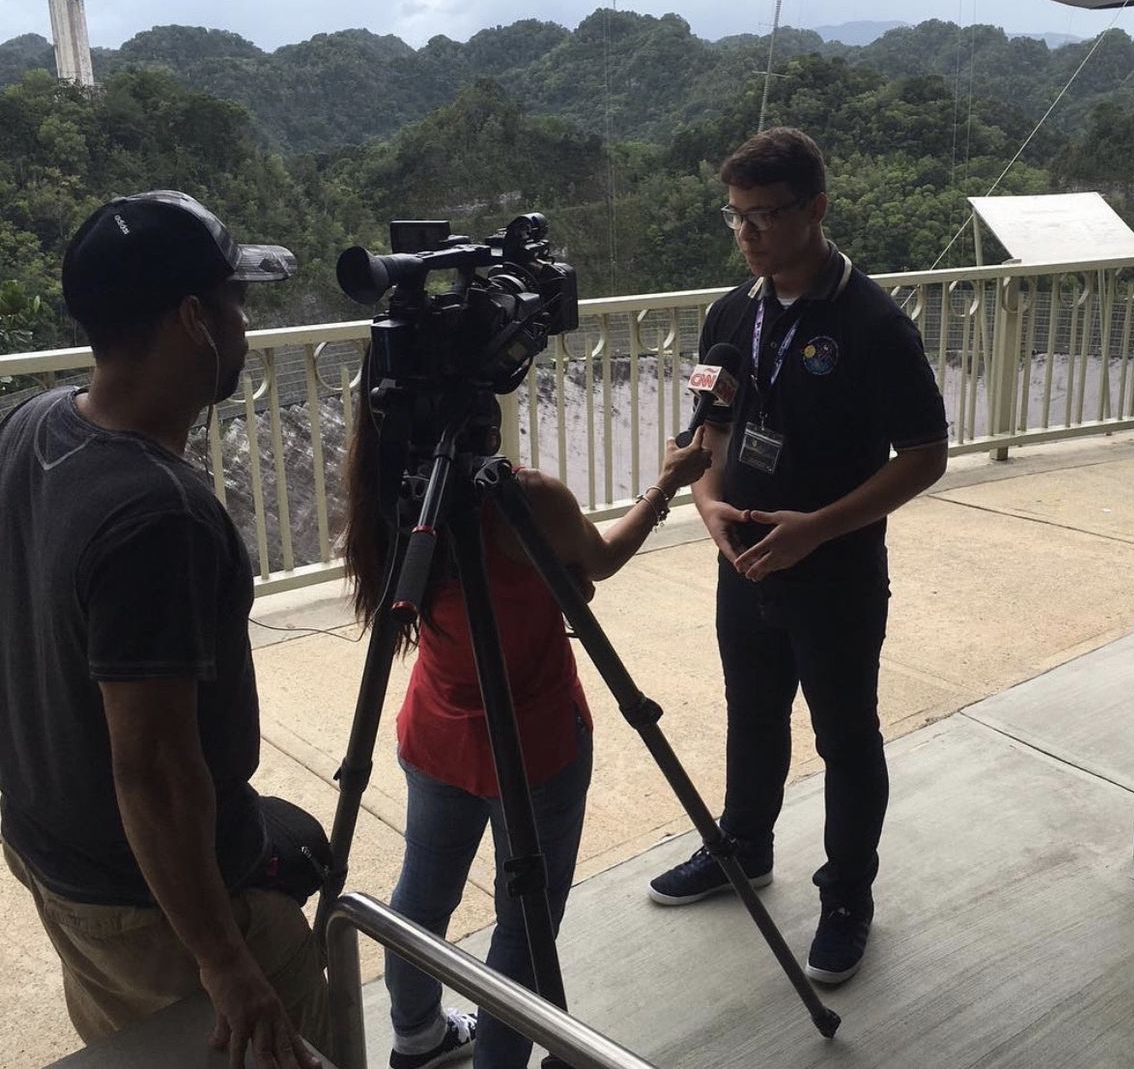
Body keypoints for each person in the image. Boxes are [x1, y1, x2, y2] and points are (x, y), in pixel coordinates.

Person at [0, 191, 331, 1068]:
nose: (244, 323)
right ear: (195, 319)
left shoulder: (31, 423)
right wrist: (225, 960)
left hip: (56, 859)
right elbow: (152, 769)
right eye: (236, 302)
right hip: (153, 908)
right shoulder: (159, 514)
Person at [647, 128, 948, 986]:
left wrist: (816, 526)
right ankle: (743, 847)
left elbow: (925, 455)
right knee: (752, 712)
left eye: (766, 216)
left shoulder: (872, 324)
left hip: (835, 571)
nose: (747, 234)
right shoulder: (730, 312)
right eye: (735, 217)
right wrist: (705, 503)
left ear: (815, 208)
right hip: (742, 560)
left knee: (847, 736)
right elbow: (710, 426)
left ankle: (848, 897)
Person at [342, 368, 712, 1069]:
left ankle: (416, 1037)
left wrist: (559, 578)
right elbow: (600, 560)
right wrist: (667, 484)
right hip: (534, 744)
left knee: (420, 898)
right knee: (525, 923)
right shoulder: (525, 499)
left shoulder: (393, 500)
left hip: (437, 732)